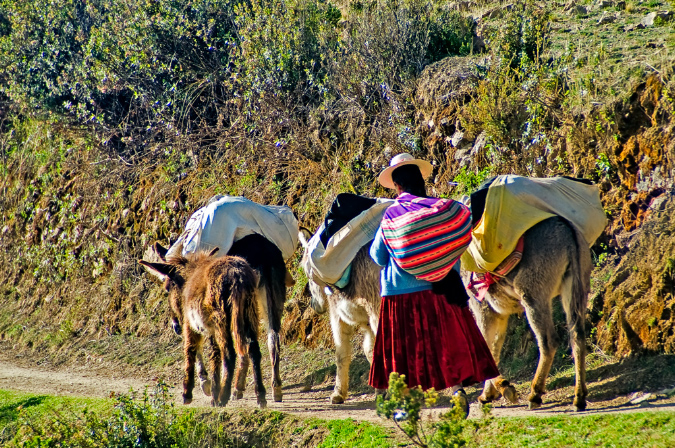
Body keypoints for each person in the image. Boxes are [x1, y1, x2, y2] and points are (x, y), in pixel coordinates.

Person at [368, 153, 500, 417]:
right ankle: (456, 391)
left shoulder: (392, 215)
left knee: (404, 351)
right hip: (441, 288)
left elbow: (379, 256)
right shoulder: (441, 209)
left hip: (400, 294)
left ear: (397, 186)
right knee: (446, 344)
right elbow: (459, 239)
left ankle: (407, 405)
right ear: (420, 181)